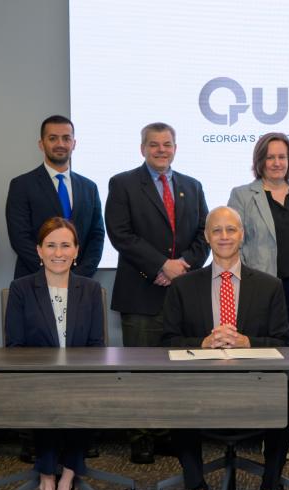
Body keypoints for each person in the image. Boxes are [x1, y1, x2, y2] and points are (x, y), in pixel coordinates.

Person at [161, 206, 289, 490]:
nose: (224, 236)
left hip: (254, 385)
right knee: (177, 396)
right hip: (200, 388)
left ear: (242, 235)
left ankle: (269, 489)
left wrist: (248, 343)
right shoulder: (183, 286)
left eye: (230, 230)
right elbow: (166, 343)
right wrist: (202, 344)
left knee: (287, 394)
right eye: (216, 230)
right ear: (206, 236)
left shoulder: (269, 286)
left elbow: (283, 344)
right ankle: (197, 489)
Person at [105, 122, 210, 463]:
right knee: (141, 366)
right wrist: (160, 266)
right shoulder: (122, 184)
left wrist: (181, 266)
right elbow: (120, 234)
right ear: (143, 149)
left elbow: (203, 234)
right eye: (154, 145)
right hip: (140, 290)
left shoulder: (192, 187)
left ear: (175, 148)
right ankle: (141, 435)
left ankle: (167, 432)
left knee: (175, 366)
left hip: (181, 293)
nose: (161, 150)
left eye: (167, 144)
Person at [5, 217, 105, 490]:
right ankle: (46, 482)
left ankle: (65, 483)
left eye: (65, 245)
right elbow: (14, 347)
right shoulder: (21, 289)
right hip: (37, 379)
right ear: (39, 251)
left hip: (80, 379)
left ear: (76, 251)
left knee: (77, 400)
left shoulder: (90, 289)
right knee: (48, 402)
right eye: (51, 245)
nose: (58, 252)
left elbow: (96, 346)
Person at [228, 132, 289, 346]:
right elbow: (233, 243)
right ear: (260, 160)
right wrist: (247, 282)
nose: (276, 163)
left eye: (282, 157)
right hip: (262, 291)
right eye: (270, 157)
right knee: (266, 354)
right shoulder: (242, 195)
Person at [6, 115, 105, 279]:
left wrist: (78, 275)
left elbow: (97, 235)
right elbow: (20, 238)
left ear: (74, 144)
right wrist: (53, 271)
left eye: (66, 138)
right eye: (53, 138)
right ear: (41, 144)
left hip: (81, 282)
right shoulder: (21, 185)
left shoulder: (89, 188)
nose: (60, 144)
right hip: (34, 281)